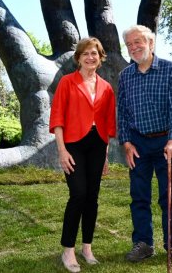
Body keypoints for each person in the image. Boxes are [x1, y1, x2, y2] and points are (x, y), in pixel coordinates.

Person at [117, 25, 172, 269]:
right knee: (138, 196)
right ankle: (143, 244)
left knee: (169, 197)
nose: (133, 47)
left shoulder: (170, 69)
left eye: (137, 42)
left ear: (151, 43)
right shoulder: (125, 76)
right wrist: (126, 142)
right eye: (128, 44)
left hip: (164, 142)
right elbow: (123, 113)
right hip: (137, 143)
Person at [49, 37, 116, 273]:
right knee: (78, 194)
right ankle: (68, 249)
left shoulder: (106, 87)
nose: (90, 57)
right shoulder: (67, 83)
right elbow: (57, 118)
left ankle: (87, 247)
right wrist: (61, 150)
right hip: (73, 144)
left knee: (92, 197)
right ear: (78, 58)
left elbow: (108, 124)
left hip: (97, 145)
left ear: (100, 58)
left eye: (94, 54)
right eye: (86, 53)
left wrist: (106, 154)